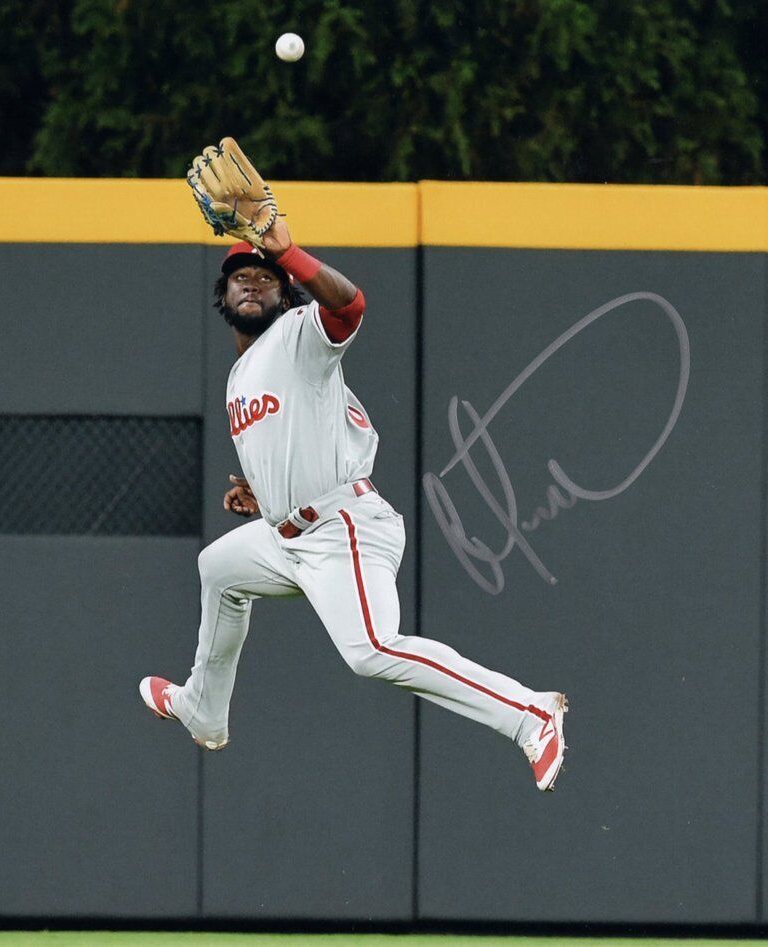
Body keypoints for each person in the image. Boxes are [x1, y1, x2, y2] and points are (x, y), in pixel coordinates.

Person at [138, 216, 568, 791]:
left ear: (285, 292)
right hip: (289, 533)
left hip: (343, 528)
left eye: (264, 277)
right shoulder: (240, 376)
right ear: (222, 294)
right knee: (217, 569)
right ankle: (203, 709)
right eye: (239, 276)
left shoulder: (299, 335)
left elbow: (350, 307)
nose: (250, 283)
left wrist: (289, 253)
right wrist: (264, 496)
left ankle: (529, 714)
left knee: (370, 651)